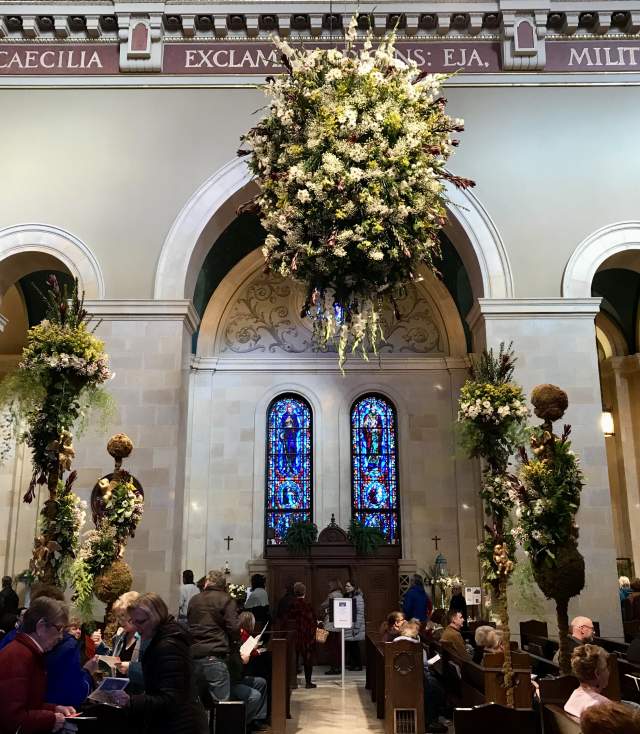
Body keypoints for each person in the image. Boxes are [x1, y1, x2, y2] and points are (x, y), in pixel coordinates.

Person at [109, 592, 207, 734]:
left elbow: (171, 699)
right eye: (134, 622)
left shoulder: (168, 645)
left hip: (180, 725)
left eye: (141, 622)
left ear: (156, 617)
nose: (136, 627)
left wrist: (131, 701)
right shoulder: (161, 639)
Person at [189, 570, 268, 730]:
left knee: (199, 706)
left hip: (194, 658)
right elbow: (234, 628)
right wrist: (236, 646)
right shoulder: (226, 600)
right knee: (223, 707)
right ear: (223, 586)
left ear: (206, 583)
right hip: (215, 657)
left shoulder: (194, 600)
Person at [0, 596, 76, 734]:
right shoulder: (18, 656)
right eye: (59, 629)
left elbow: (28, 703)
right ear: (41, 626)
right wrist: (51, 719)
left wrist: (54, 709)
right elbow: (12, 720)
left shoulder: (27, 653)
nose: (61, 637)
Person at [392, 620, 448, 733]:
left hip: (397, 680)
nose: (418, 632)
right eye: (416, 630)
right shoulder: (414, 645)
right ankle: (431, 721)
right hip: (415, 680)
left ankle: (433, 719)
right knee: (435, 688)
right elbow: (422, 665)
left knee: (433, 685)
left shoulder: (394, 642)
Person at [564, 644, 610, 718]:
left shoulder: (574, 695)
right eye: (606, 668)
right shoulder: (601, 705)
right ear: (597, 673)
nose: (608, 672)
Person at [287, 582, 317, 689]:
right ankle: (308, 682)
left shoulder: (290, 606)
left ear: (295, 592)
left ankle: (292, 682)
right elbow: (312, 622)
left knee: (293, 660)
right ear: (304, 592)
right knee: (307, 660)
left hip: (293, 637)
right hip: (306, 637)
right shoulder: (307, 606)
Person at [320, 578, 343, 675]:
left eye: (329, 585)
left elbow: (324, 605)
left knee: (331, 647)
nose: (328, 587)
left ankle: (334, 668)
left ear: (333, 585)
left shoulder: (332, 595)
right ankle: (338, 666)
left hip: (330, 625)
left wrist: (323, 607)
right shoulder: (341, 594)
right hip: (338, 625)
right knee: (337, 647)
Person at [344, 580, 365, 671]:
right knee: (350, 646)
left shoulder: (358, 598)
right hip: (349, 626)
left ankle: (358, 665)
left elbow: (360, 613)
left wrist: (356, 627)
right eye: (346, 586)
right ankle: (353, 664)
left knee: (354, 646)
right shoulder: (349, 596)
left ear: (354, 587)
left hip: (355, 626)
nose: (346, 587)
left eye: (348, 586)